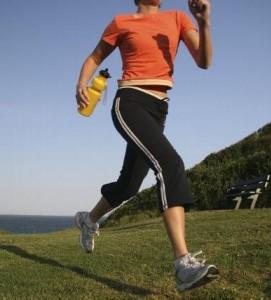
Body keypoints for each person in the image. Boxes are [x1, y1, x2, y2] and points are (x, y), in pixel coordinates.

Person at [75, 0, 219, 291]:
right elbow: (94, 57)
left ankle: (88, 220)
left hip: (158, 109)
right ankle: (183, 264)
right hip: (129, 102)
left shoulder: (178, 18)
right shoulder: (121, 22)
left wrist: (204, 22)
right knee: (170, 164)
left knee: (129, 185)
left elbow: (203, 61)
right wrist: (82, 81)